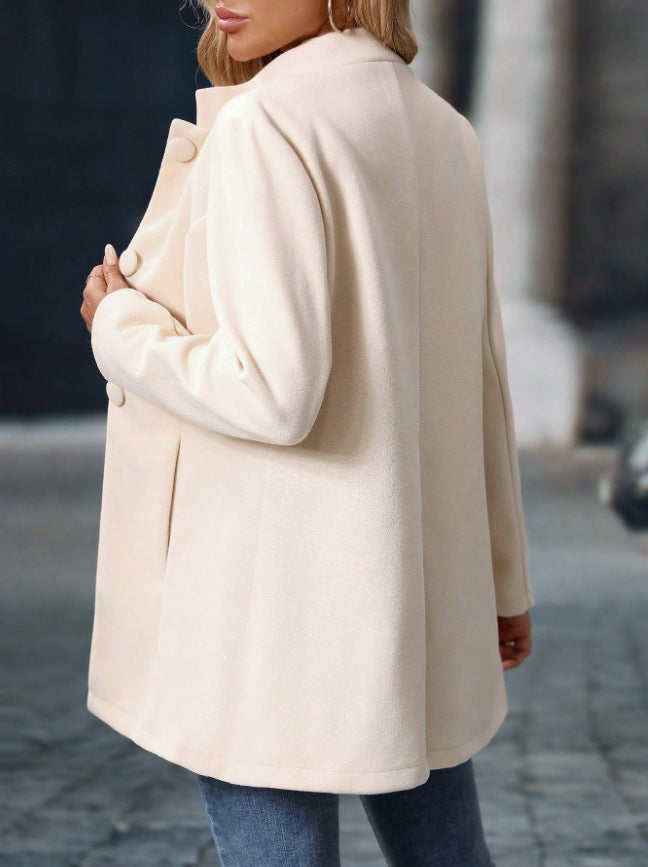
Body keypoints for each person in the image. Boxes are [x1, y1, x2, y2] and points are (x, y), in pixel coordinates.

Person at [79, 0, 534, 864]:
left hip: (271, 602)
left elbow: (270, 391)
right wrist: (501, 581)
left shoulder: (268, 124)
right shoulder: (445, 129)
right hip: (412, 596)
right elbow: (480, 380)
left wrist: (120, 325)